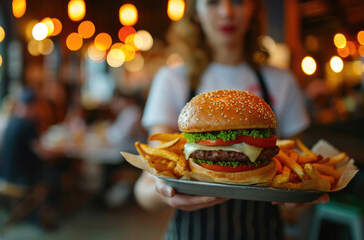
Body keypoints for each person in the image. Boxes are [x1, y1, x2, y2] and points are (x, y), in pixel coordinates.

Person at [134, 0, 329, 239]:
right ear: (197, 13)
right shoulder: (172, 79)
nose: (226, 12)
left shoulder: (282, 81)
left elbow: (295, 170)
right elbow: (145, 190)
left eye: (237, 1)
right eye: (213, 2)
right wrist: (166, 193)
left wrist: (299, 199)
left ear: (252, 9)